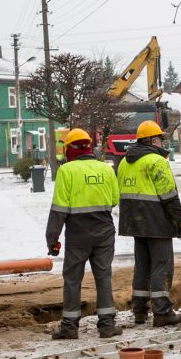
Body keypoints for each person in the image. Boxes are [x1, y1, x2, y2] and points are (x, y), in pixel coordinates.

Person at [45, 128, 121, 339]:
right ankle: (107, 325)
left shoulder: (66, 171)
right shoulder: (106, 169)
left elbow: (59, 209)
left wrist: (52, 238)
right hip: (104, 231)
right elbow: (114, 199)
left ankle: (69, 327)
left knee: (72, 279)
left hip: (78, 234)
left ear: (69, 149)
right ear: (90, 147)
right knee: (103, 276)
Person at [117, 120, 181, 327]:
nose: (160, 142)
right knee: (161, 266)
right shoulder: (156, 162)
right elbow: (169, 195)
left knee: (143, 266)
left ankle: (139, 311)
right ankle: (162, 312)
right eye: (158, 138)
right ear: (151, 140)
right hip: (156, 221)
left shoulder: (125, 162)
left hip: (134, 223)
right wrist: (179, 219)